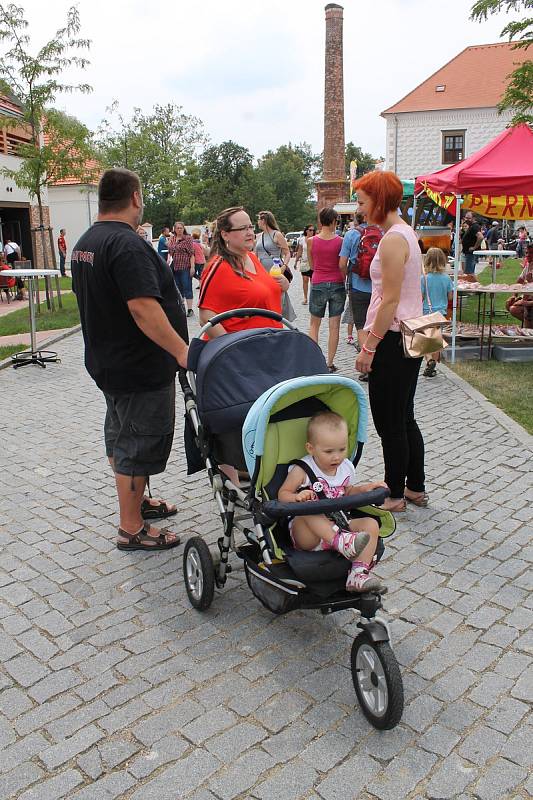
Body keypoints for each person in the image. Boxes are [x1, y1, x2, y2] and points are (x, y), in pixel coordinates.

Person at [71, 168, 189, 552]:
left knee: (122, 436)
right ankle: (132, 527)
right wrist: (182, 351)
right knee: (138, 445)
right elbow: (143, 310)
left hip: (110, 364)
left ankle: (138, 502)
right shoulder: (127, 245)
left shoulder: (86, 242)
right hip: (138, 368)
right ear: (135, 198)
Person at [354, 170, 427, 513]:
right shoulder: (405, 234)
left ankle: (395, 493)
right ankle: (414, 486)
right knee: (404, 415)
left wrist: (369, 346)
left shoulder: (393, 239)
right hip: (411, 335)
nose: (360, 208)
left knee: (390, 422)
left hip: (395, 338)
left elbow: (390, 300)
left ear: (379, 201)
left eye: (363, 201)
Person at [278, 410, 387, 593]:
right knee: (308, 508)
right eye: (329, 451)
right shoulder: (302, 469)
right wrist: (297, 497)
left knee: (371, 524)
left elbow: (347, 492)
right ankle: (341, 541)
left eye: (342, 449)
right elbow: (283, 494)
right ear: (311, 448)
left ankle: (358, 574)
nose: (336, 456)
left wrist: (365, 488)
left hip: (339, 524)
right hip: (308, 534)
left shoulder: (345, 468)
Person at [199, 206, 288, 338]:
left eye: (251, 227)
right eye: (242, 229)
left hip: (268, 346)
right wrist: (231, 348)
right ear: (225, 235)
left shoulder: (251, 257)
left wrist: (283, 285)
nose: (250, 233)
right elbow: (205, 317)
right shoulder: (218, 266)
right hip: (243, 351)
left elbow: (258, 294)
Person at [307, 207, 345, 373]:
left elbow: (311, 264)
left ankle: (315, 360)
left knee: (314, 325)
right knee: (334, 326)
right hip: (337, 282)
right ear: (334, 221)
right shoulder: (340, 241)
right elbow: (341, 264)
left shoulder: (311, 241)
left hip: (318, 282)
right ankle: (330, 362)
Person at [339, 212, 376, 366]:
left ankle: (367, 364)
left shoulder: (351, 234)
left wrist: (344, 278)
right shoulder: (381, 233)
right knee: (375, 325)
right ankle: (377, 360)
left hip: (357, 285)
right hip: (377, 288)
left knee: (360, 325)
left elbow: (342, 263)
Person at [421, 247, 453, 378]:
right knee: (436, 339)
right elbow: (450, 297)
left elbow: (420, 296)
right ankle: (433, 361)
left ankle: (429, 360)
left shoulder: (424, 278)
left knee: (425, 340)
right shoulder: (446, 279)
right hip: (440, 313)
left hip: (426, 312)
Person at [168, 221, 195, 317]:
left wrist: (192, 267)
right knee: (178, 289)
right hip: (175, 267)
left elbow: (192, 254)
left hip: (185, 266)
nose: (179, 230)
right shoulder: (172, 238)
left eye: (181, 228)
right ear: (174, 229)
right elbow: (170, 252)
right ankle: (181, 308)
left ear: (184, 229)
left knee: (187, 287)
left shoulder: (188, 238)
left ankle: (190, 309)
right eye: (177, 228)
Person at [506, 244, 533, 327]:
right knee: (509, 303)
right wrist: (514, 295)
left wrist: (524, 302)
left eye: (531, 253)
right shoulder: (529, 265)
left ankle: (529, 327)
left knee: (514, 309)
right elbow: (519, 281)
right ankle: (528, 326)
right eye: (527, 253)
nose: (528, 255)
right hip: (529, 298)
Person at [294, 224, 316, 305]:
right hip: (304, 261)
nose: (312, 232)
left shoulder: (315, 239)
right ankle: (305, 297)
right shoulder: (302, 240)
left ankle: (313, 297)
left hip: (313, 262)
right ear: (306, 230)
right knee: (305, 280)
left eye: (313, 230)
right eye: (310, 230)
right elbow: (300, 251)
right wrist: (296, 261)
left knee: (313, 280)